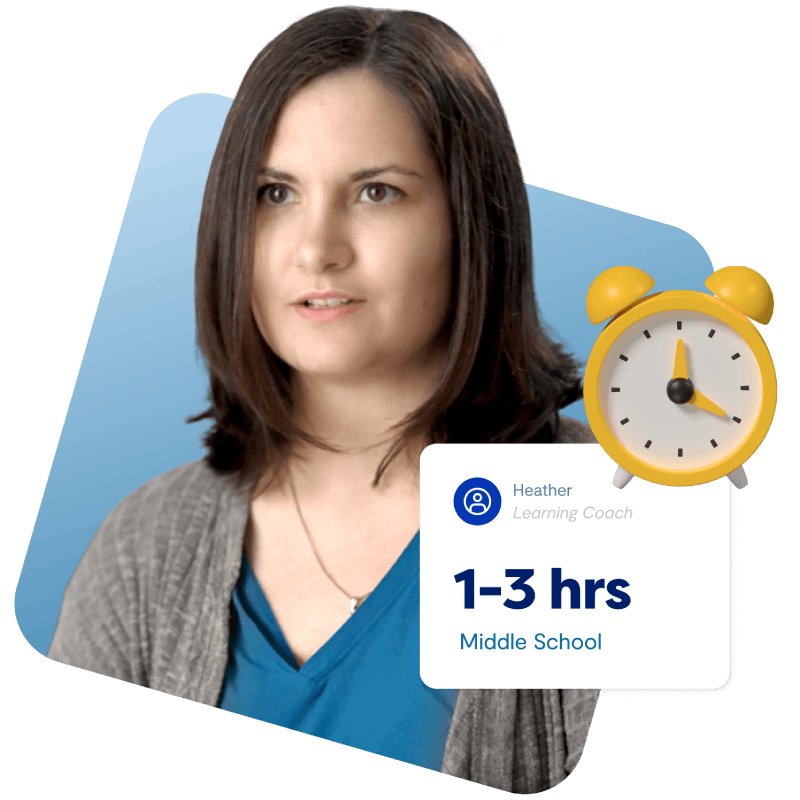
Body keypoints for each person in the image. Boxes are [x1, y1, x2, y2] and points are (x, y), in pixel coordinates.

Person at [47, 6, 599, 792]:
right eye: (275, 193)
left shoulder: (611, 516)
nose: (317, 248)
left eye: (376, 192)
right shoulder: (143, 549)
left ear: (473, 220)